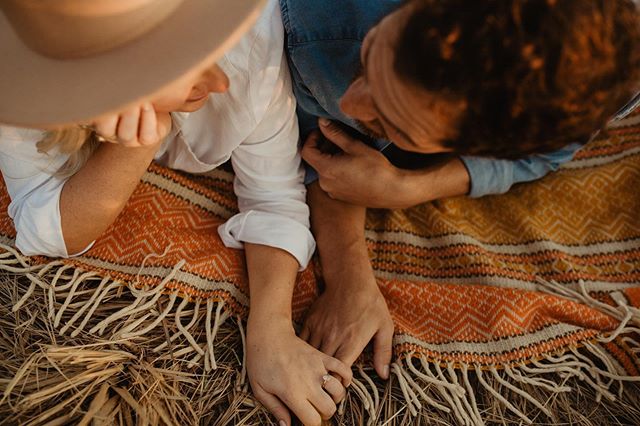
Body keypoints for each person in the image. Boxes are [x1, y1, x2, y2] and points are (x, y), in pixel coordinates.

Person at [0, 1, 350, 425]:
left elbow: (274, 194)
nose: (219, 81)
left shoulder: (250, 35)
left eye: (205, 45)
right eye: (188, 60)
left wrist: (272, 330)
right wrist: (138, 143)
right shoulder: (23, 70)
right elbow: (48, 229)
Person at [280, 0, 640, 382]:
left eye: (393, 125)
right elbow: (313, 145)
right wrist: (347, 272)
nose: (350, 103)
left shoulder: (609, 87)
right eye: (371, 53)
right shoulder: (317, 19)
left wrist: (410, 187)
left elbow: (543, 156)